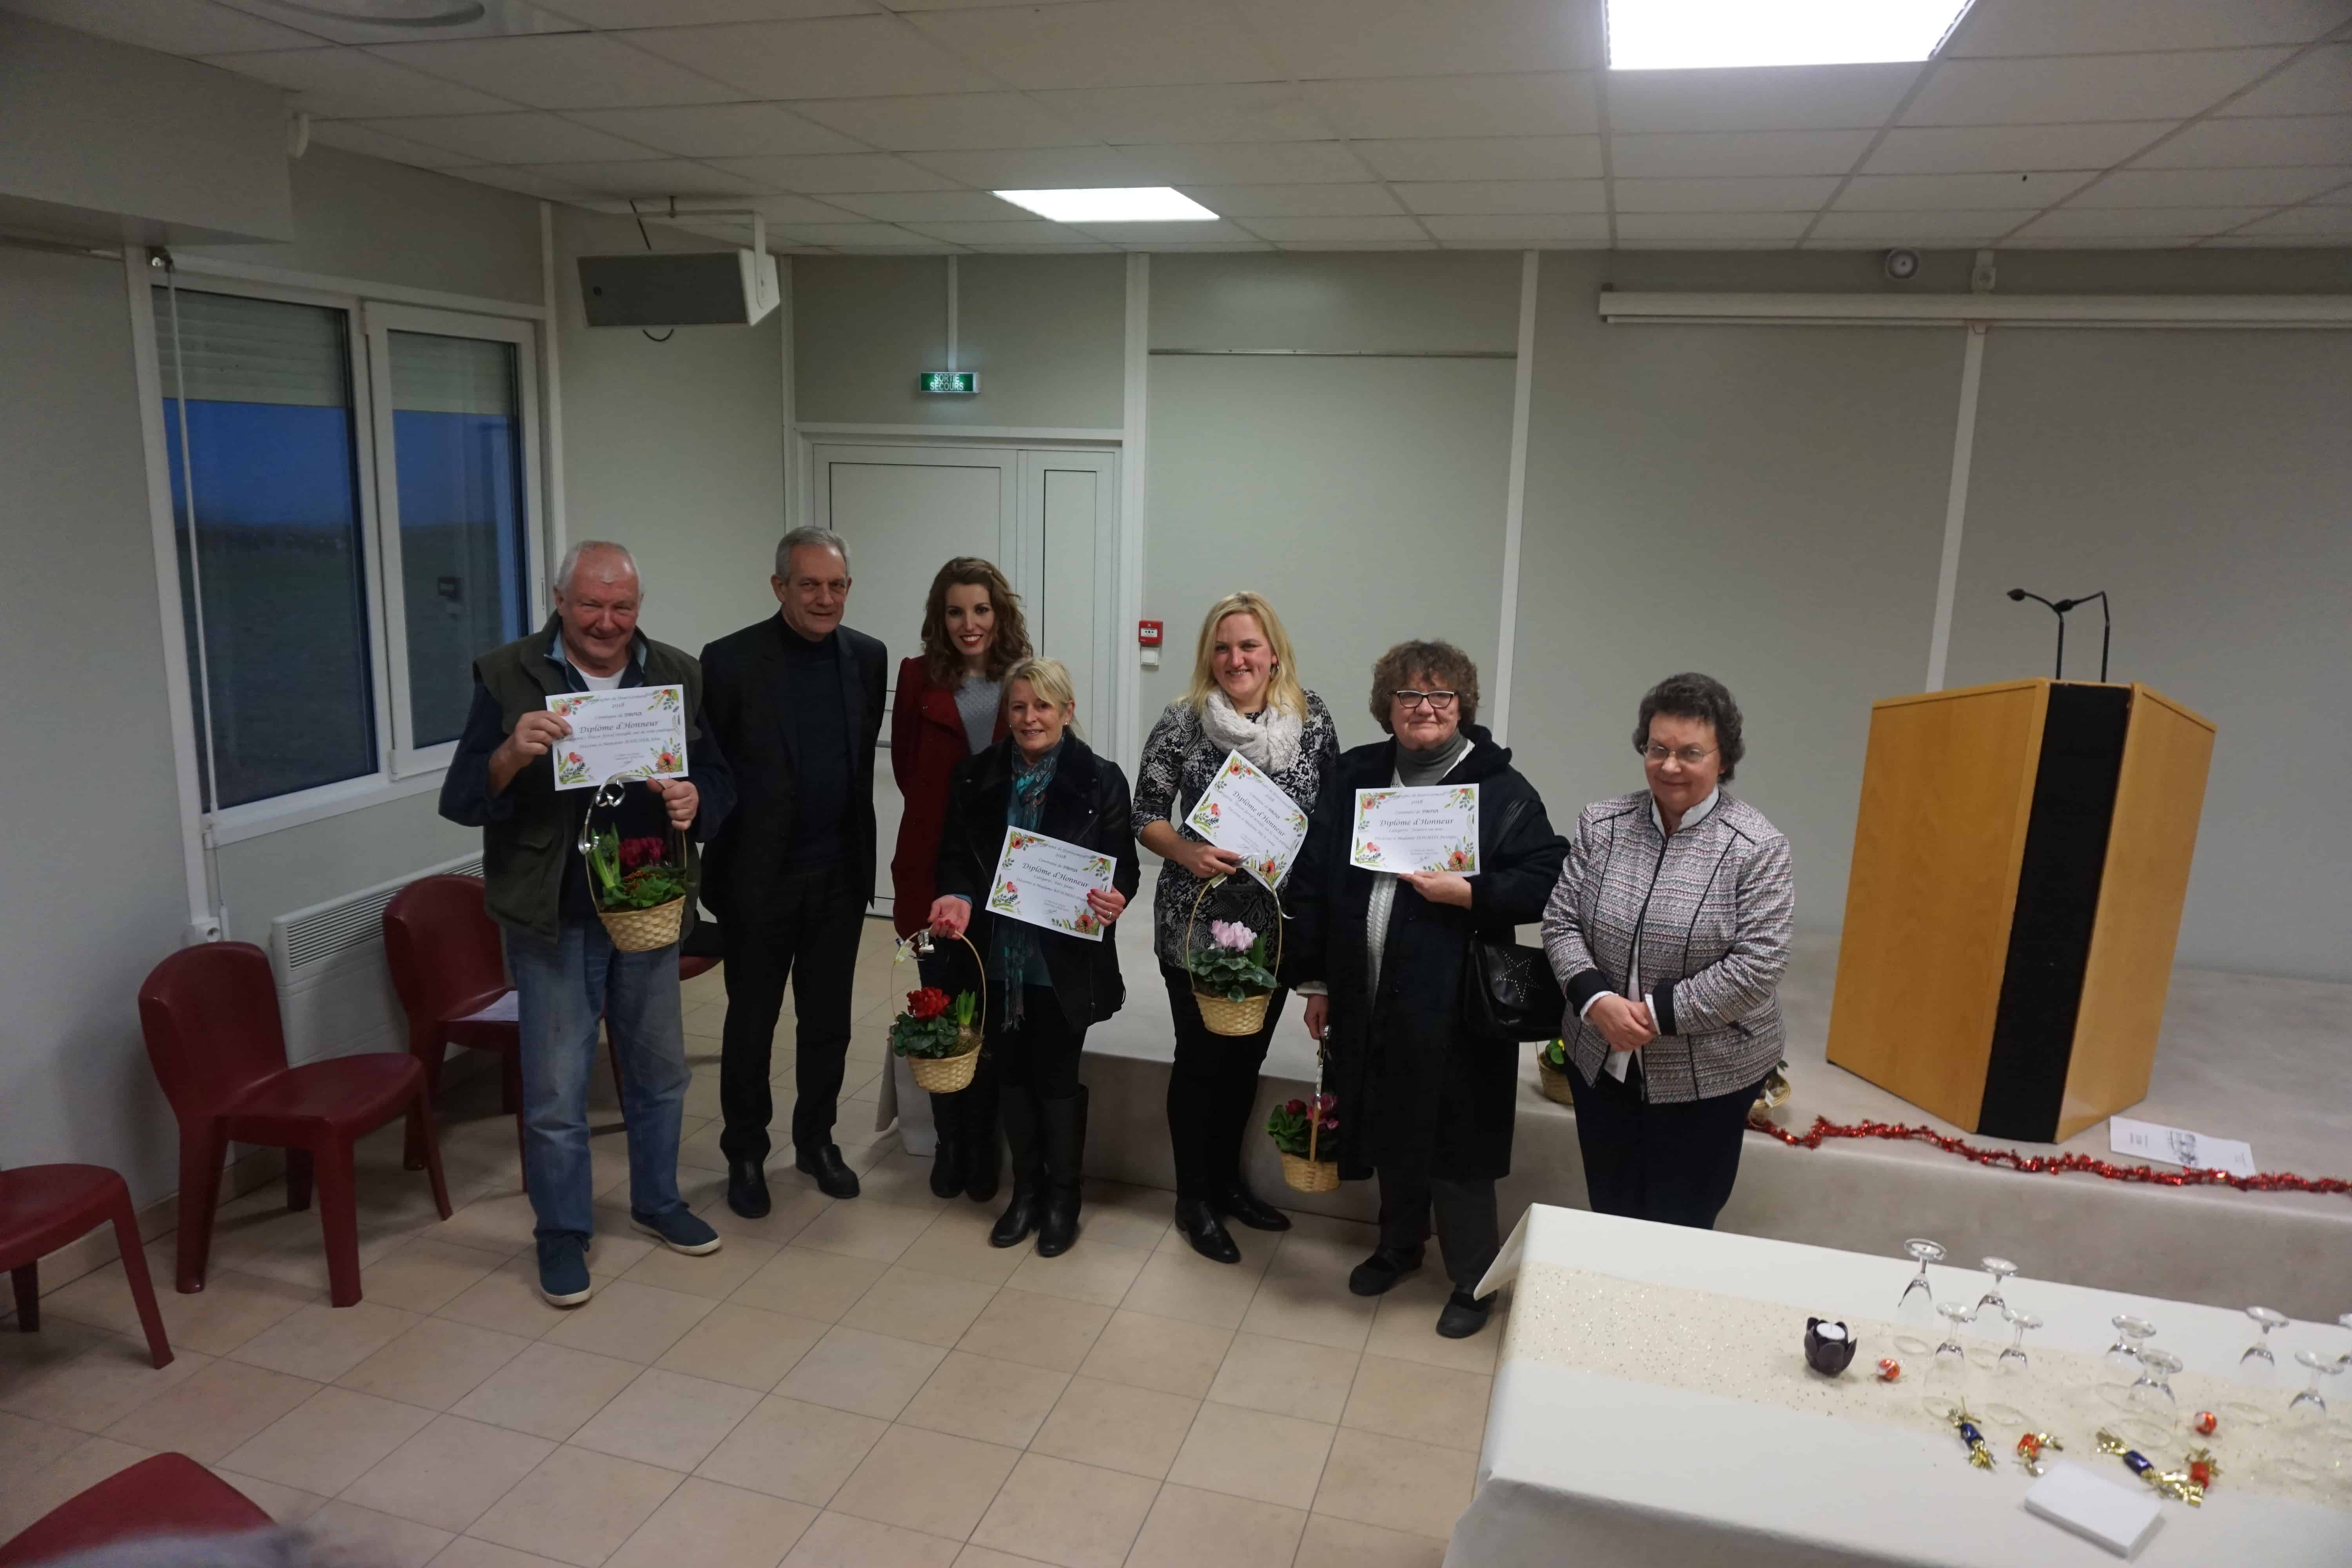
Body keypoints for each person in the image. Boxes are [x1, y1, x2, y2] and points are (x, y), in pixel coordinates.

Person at [439, 541, 734, 1307]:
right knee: (556, 1090)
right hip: (553, 917)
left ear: (639, 606)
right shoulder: (506, 674)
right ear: (560, 600)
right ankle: (563, 1230)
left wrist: (697, 798)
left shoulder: (675, 672)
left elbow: (718, 775)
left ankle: (658, 1201)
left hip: (648, 905)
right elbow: (463, 796)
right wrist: (509, 754)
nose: (607, 622)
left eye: (622, 606)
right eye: (591, 605)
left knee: (660, 1074)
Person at [1287, 640, 1566, 1339]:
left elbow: (1548, 876)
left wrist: (1469, 893)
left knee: (1456, 1139)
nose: (1424, 708)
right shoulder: (1356, 775)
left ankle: (1474, 1279)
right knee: (1385, 1118)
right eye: (1409, 695)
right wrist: (1317, 981)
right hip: (1366, 989)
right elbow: (1313, 878)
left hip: (1454, 1001)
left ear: (1462, 705)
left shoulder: (1502, 789)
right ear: (1387, 706)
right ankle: (1399, 1245)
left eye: (1440, 695)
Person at [1541, 672, 1794, 1231]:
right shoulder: (1602, 824)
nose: (1671, 766)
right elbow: (1561, 921)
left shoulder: (1757, 847)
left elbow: (1759, 964)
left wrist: (1652, 1017)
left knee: (1680, 1225)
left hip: (1708, 1073)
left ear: (1723, 760)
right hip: (1599, 1056)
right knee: (1610, 1209)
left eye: (1691, 753)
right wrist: (1596, 1003)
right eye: (1658, 749)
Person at [1134, 592, 1340, 1265]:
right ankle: (1193, 1199)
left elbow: (1328, 823)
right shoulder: (1183, 719)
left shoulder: (1313, 719)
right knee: (1200, 1062)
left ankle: (1227, 1186)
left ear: (1273, 652)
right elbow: (1144, 814)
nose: (1236, 659)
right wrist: (1186, 851)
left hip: (1274, 930)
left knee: (1245, 1062)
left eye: (1249, 646)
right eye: (1222, 648)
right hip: (1195, 925)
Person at [699, 527, 888, 1215]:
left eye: (837, 586)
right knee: (752, 1024)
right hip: (758, 880)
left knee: (828, 1022)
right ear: (780, 586)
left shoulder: (868, 658)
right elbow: (712, 768)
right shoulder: (728, 662)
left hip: (839, 874)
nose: (824, 598)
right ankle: (745, 1153)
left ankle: (817, 1141)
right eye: (809, 585)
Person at [927, 657, 1139, 1256]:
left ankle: (1063, 1199)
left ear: (1067, 711)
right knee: (1010, 1074)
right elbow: (955, 858)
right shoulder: (975, 775)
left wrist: (1116, 896)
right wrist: (957, 894)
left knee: (1056, 1076)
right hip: (995, 956)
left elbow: (1122, 864)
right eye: (1018, 707)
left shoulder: (1101, 779)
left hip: (1062, 961)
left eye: (1042, 706)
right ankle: (1025, 1192)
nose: (1029, 718)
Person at [891, 558, 1031, 1203]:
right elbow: (908, 771)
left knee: (996, 1021)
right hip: (932, 871)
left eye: (981, 610)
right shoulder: (916, 676)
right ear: (939, 618)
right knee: (942, 1014)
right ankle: (952, 1147)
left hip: (1007, 877)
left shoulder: (1023, 678)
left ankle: (986, 1151)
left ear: (999, 614)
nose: (969, 624)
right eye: (955, 612)